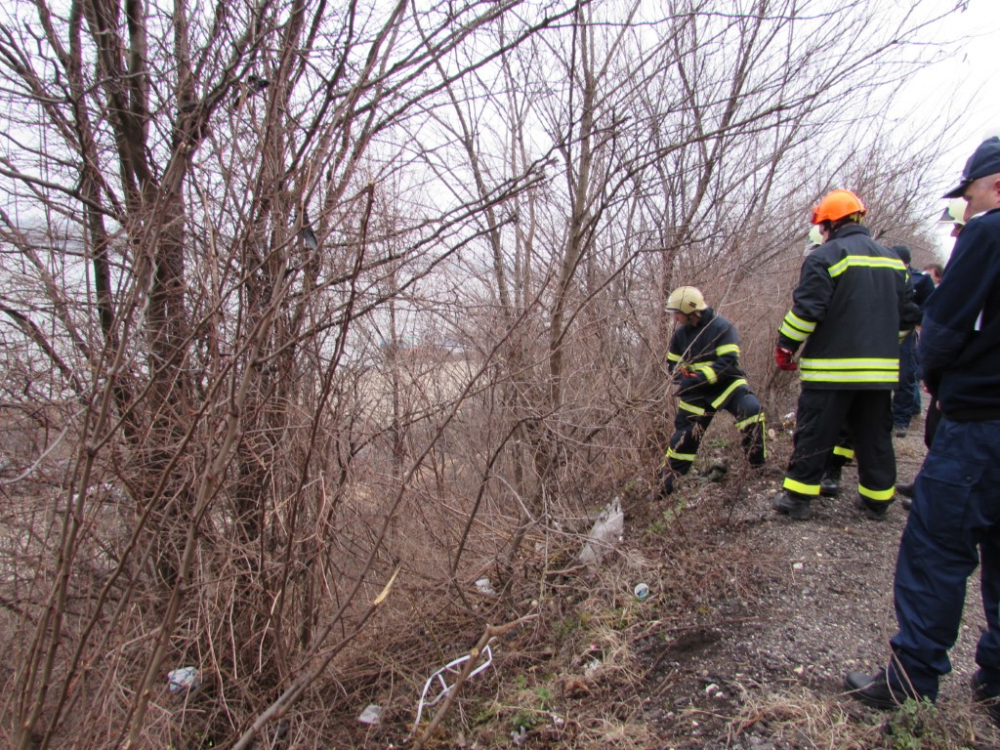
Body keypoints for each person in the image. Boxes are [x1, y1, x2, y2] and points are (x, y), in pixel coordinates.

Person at [845, 136, 1000, 728]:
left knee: (939, 549)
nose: (969, 206)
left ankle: (912, 678)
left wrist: (944, 387)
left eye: (973, 192)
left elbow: (939, 330)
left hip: (982, 426)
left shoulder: (989, 234)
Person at [773, 189, 915, 521]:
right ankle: (877, 501)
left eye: (821, 227)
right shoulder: (893, 260)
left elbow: (806, 313)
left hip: (830, 373)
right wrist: (879, 344)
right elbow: (908, 317)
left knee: (815, 434)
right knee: (874, 437)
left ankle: (797, 499)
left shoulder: (825, 257)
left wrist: (786, 345)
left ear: (829, 224)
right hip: (878, 375)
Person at [649, 286, 766, 498]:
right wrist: (681, 379)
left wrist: (699, 378)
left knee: (751, 411)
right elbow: (673, 366)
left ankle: (757, 466)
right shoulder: (680, 336)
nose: (675, 317)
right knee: (684, 436)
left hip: (727, 385)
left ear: (690, 310)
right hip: (696, 392)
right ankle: (666, 481)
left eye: (677, 312)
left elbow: (728, 363)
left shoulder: (721, 327)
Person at [890, 245, 934, 438]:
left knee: (906, 375)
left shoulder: (921, 279)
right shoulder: (882, 274)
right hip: (881, 331)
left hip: (906, 331)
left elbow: (931, 307)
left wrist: (915, 316)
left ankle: (901, 421)